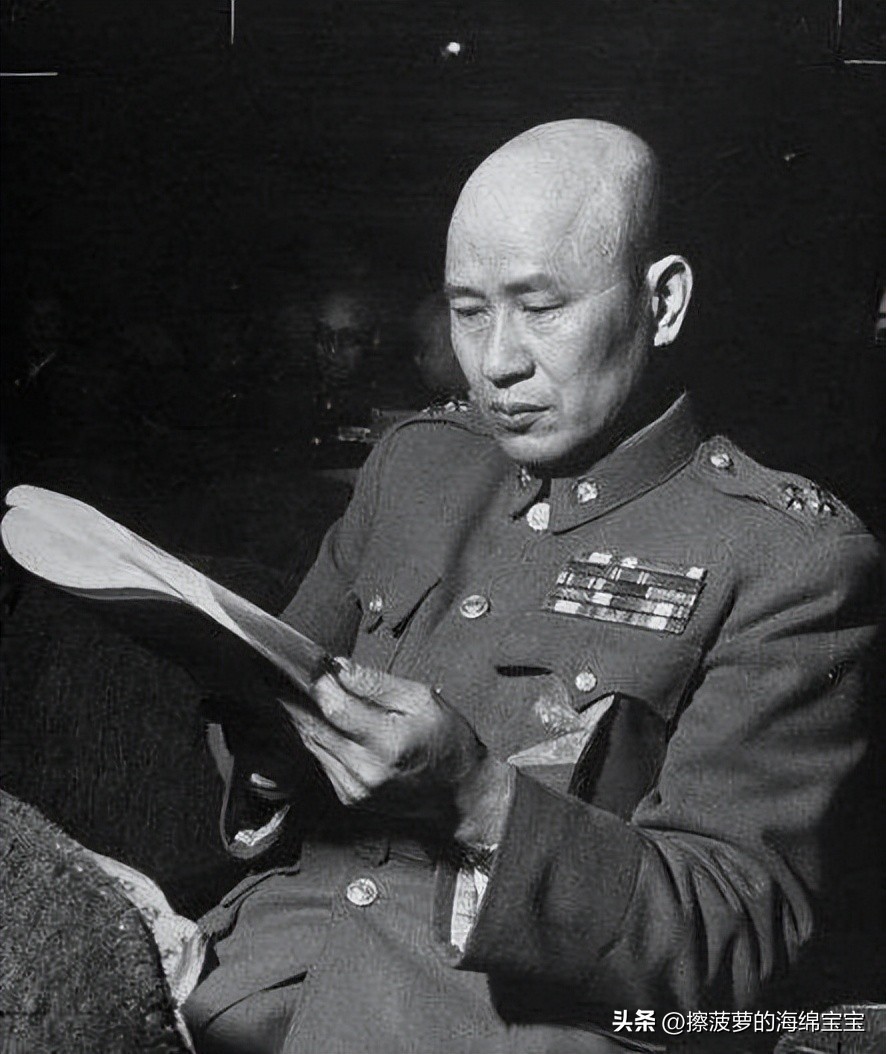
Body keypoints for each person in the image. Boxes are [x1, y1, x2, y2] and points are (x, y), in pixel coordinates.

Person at [181, 120, 884, 1053]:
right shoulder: (416, 468)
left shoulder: (788, 559)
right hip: (249, 981)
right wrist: (268, 757)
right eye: (469, 311)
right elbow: (269, 698)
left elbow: (736, 937)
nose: (497, 362)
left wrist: (478, 799)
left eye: (541, 307)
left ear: (663, 302)